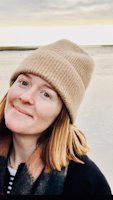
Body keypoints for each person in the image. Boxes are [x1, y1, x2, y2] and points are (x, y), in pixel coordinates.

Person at [0, 39, 111, 195]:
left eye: (46, 94)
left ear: (62, 114)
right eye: (24, 82)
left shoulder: (87, 184)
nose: (26, 97)